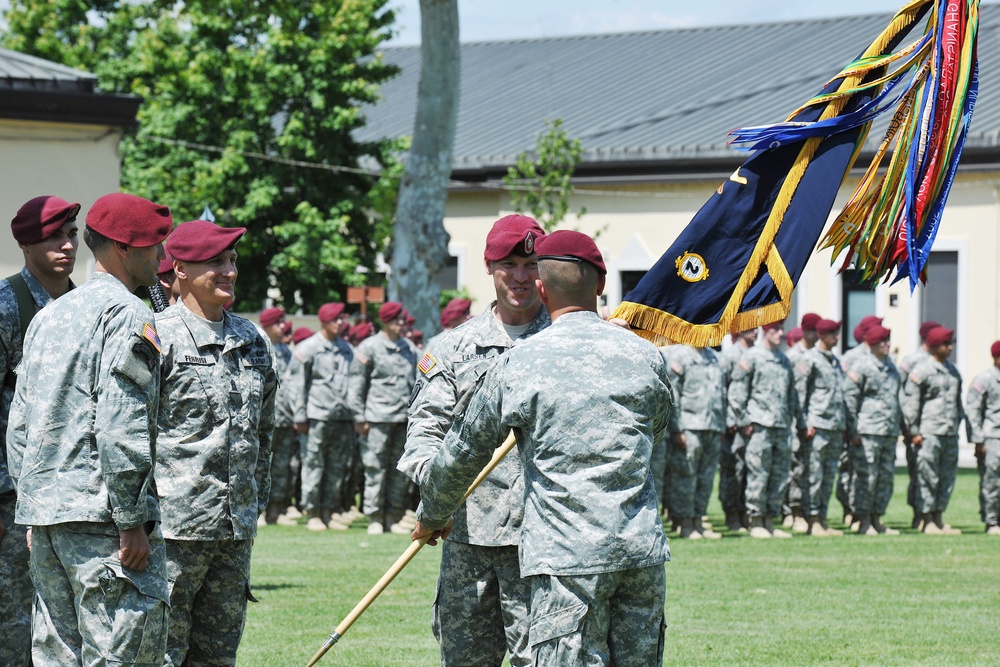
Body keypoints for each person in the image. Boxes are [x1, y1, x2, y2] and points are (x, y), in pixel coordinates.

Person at [413, 229, 671, 666]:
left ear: (541, 286)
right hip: (638, 551)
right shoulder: (644, 354)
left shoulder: (520, 361)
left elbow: (464, 450)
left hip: (565, 556)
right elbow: (655, 427)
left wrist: (433, 512)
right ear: (603, 285)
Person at [6, 192, 172, 666]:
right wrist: (131, 519)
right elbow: (123, 424)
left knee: (59, 656)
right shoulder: (128, 314)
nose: (161, 258)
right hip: (103, 520)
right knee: (122, 654)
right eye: (154, 246)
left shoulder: (50, 315)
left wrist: (32, 508)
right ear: (123, 247)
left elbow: (20, 423)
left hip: (48, 517)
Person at [399, 214, 547, 666]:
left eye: (530, 264)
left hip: (543, 541)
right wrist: (436, 496)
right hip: (468, 539)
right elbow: (424, 437)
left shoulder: (563, 345)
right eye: (509, 265)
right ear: (488, 267)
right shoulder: (452, 349)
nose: (520, 277)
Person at [153, 220, 276, 665]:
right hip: (172, 530)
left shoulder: (251, 339)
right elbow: (129, 430)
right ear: (180, 268)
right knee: (162, 653)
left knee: (218, 656)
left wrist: (254, 500)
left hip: (233, 528)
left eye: (232, 261)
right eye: (215, 262)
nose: (228, 271)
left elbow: (264, 430)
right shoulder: (155, 337)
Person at [0, 195, 80, 666]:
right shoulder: (8, 304)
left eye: (72, 233)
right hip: (16, 493)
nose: (67, 244)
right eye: (54, 235)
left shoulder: (87, 305)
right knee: (14, 618)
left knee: (66, 618)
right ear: (26, 243)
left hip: (74, 489)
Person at [727, 320, 804, 538]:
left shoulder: (784, 360)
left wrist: (791, 421)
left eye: (781, 330)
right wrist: (744, 422)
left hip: (781, 426)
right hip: (759, 426)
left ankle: (770, 519)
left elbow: (791, 396)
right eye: (775, 330)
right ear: (765, 332)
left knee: (779, 477)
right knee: (758, 475)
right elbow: (737, 393)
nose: (780, 334)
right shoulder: (751, 357)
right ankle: (756, 520)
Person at [349, 301, 418, 534]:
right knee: (375, 468)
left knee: (399, 470)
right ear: (386, 322)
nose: (402, 324)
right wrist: (359, 417)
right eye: (398, 320)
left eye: (403, 320)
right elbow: (356, 385)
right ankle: (375, 516)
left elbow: (419, 382)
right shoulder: (369, 347)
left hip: (403, 419)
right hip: (377, 419)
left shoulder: (409, 348)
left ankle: (393, 515)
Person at [291, 302, 356, 531]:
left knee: (337, 466)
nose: (340, 323)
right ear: (324, 322)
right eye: (336, 319)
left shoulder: (347, 349)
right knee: (314, 464)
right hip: (316, 416)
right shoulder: (308, 348)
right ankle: (313, 512)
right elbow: (297, 384)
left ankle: (330, 510)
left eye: (341, 319)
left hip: (342, 415)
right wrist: (299, 416)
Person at [901, 326, 968, 535]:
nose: (949, 348)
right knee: (927, 477)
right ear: (934, 346)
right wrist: (913, 431)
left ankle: (939, 518)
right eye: (945, 344)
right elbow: (911, 404)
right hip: (928, 433)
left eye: (950, 344)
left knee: (946, 478)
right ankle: (927, 519)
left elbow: (957, 403)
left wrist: (958, 426)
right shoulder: (921, 371)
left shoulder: (953, 370)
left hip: (948, 432)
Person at [842, 325, 902, 536]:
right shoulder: (862, 367)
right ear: (874, 344)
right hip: (867, 431)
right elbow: (849, 399)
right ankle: (863, 519)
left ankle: (877, 518)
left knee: (885, 477)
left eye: (888, 340)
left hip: (888, 431)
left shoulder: (891, 367)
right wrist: (853, 430)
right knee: (866, 476)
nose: (888, 345)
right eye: (884, 341)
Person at [664, 342, 725, 539]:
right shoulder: (680, 357)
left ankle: (699, 520)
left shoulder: (714, 357)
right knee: (685, 476)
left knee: (706, 478)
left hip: (712, 425)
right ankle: (685, 522)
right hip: (689, 426)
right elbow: (674, 396)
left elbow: (720, 393)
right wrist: (677, 428)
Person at [796, 318, 848, 537]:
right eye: (833, 333)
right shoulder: (810, 360)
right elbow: (800, 394)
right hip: (816, 427)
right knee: (814, 475)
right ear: (823, 336)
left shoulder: (835, 361)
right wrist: (803, 423)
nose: (837, 337)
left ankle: (823, 519)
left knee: (828, 476)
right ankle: (812, 519)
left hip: (834, 426)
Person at [898, 320, 940, 528]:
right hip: (917, 427)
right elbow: (901, 392)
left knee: (931, 475)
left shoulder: (939, 362)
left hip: (933, 428)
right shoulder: (911, 361)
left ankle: (928, 517)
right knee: (918, 474)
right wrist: (907, 426)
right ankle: (919, 515)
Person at [259, 306, 296, 526]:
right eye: (278, 323)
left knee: (281, 468)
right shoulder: (259, 345)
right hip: (266, 417)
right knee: (260, 466)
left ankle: (277, 510)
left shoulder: (287, 350)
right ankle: (260, 511)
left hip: (285, 417)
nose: (283, 327)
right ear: (269, 325)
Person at [784, 312, 821, 532]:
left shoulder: (817, 356)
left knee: (808, 469)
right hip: (796, 422)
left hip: (810, 423)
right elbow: (796, 395)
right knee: (794, 468)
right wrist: (800, 422)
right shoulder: (795, 356)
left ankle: (803, 510)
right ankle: (792, 511)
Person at [719, 327, 758, 532]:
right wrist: (730, 420)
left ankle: (745, 513)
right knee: (732, 469)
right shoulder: (730, 356)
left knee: (749, 469)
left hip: (753, 423)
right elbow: (724, 390)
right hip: (734, 425)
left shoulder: (756, 354)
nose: (756, 332)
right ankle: (732, 514)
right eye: (751, 329)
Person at [965, 340, 1000, 536]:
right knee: (991, 482)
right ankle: (992, 521)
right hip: (992, 438)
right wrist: (978, 440)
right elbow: (973, 410)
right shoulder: (984, 380)